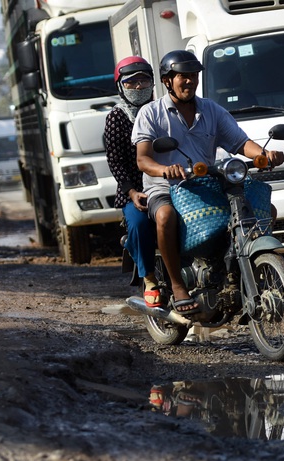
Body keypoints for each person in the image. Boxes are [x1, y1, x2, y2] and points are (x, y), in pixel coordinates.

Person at [132, 50, 284, 314]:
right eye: (183, 76)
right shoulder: (150, 113)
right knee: (166, 216)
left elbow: (240, 143)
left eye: (193, 76)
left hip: (207, 184)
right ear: (168, 80)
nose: (189, 81)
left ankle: (239, 270)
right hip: (166, 187)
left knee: (263, 212)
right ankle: (178, 285)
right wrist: (165, 169)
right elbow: (143, 159)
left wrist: (263, 154)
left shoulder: (211, 110)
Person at [105, 56, 161, 307]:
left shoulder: (163, 111)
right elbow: (115, 162)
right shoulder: (117, 118)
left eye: (144, 80)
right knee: (139, 224)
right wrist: (131, 192)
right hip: (135, 190)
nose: (139, 87)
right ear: (120, 86)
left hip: (166, 184)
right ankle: (149, 278)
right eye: (131, 82)